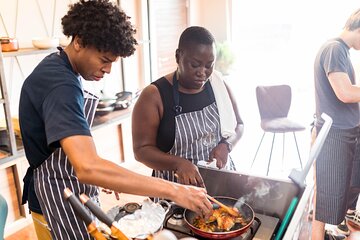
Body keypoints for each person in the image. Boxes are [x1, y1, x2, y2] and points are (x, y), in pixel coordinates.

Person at [19, 1, 212, 239]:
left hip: (72, 186)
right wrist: (175, 190)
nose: (108, 69)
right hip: (55, 197)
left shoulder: (60, 68)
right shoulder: (60, 85)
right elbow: (87, 166)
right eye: (104, 59)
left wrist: (104, 173)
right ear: (78, 41)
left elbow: (80, 157)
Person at [132, 26, 244, 188]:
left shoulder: (219, 86)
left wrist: (226, 146)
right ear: (178, 56)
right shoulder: (154, 95)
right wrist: (179, 163)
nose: (203, 72)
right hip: (174, 186)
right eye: (195, 64)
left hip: (219, 181)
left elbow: (239, 124)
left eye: (209, 65)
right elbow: (141, 150)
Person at [312, 8, 360, 240]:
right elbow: (345, 93)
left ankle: (329, 232)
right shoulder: (334, 49)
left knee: (334, 193)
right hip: (334, 135)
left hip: (344, 132)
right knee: (326, 197)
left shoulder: (342, 50)